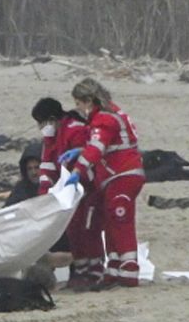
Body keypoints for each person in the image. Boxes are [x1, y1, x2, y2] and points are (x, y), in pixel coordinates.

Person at [65, 78, 145, 289]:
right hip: (116, 176)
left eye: (79, 104)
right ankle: (115, 267)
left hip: (122, 174)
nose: (78, 109)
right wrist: (81, 151)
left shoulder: (104, 119)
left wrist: (77, 170)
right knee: (111, 220)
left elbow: (97, 148)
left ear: (88, 101)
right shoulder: (111, 115)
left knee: (120, 219)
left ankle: (129, 269)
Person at [33, 97, 88, 260]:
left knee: (83, 231)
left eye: (41, 123)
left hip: (83, 187)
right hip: (68, 188)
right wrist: (44, 194)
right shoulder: (53, 136)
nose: (40, 128)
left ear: (51, 119)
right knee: (73, 230)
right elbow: (47, 165)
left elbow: (85, 161)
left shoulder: (75, 131)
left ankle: (86, 266)